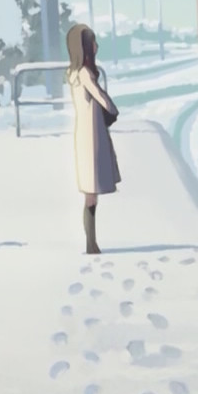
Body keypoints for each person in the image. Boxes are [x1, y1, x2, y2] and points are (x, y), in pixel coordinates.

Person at [65, 23, 120, 254]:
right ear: (85, 47)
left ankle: (92, 242)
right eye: (93, 42)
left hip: (86, 135)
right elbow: (102, 98)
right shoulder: (85, 74)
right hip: (92, 137)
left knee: (91, 193)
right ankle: (91, 244)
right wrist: (113, 110)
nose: (97, 46)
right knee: (91, 194)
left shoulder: (74, 74)